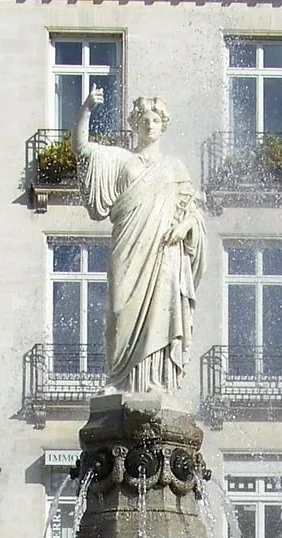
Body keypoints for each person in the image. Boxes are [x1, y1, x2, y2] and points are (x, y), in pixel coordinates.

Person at [74, 88, 206, 395]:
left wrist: (184, 227)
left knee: (161, 312)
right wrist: (86, 111)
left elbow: (193, 214)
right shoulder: (121, 160)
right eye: (144, 119)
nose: (150, 124)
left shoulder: (175, 168)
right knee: (118, 310)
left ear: (163, 125)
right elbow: (82, 149)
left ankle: (156, 381)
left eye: (156, 120)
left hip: (163, 252)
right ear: (135, 124)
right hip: (128, 246)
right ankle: (118, 379)